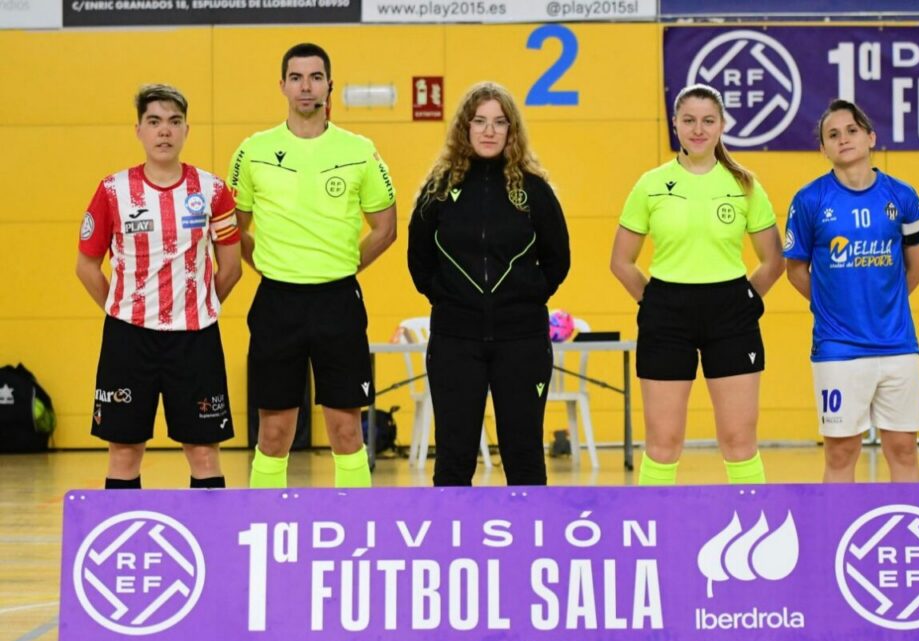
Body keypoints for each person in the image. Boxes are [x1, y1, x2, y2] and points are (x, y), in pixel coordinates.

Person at [229, 43, 397, 489]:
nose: (306, 86)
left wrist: (342, 266)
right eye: (297, 77)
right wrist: (271, 264)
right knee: (273, 433)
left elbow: (386, 229)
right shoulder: (253, 151)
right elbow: (232, 230)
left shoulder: (359, 150)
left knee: (346, 431)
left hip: (338, 301)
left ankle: (354, 523)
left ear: (330, 86)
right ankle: (265, 521)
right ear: (282, 85)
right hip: (277, 302)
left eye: (316, 77)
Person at [610, 84, 784, 486]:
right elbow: (621, 261)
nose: (699, 129)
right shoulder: (651, 184)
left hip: (732, 314)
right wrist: (654, 301)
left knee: (739, 440)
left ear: (722, 125)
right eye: (689, 120)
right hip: (666, 316)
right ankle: (653, 522)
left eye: (708, 121)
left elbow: (773, 261)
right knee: (663, 442)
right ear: (675, 124)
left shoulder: (745, 184)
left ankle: (752, 517)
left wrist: (744, 300)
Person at [76, 84, 242, 490]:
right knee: (124, 452)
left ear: (186, 130)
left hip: (196, 338)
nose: (164, 131)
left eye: (173, 121)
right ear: (139, 130)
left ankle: (208, 532)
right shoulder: (112, 191)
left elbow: (231, 268)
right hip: (129, 339)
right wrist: (123, 308)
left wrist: (197, 304)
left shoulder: (213, 190)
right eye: (154, 122)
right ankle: (126, 533)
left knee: (204, 453)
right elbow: (86, 267)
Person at [408, 82, 570, 486]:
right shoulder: (438, 189)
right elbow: (419, 260)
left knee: (525, 455)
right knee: (453, 457)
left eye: (499, 122)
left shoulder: (533, 190)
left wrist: (526, 298)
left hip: (522, 341)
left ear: (512, 131)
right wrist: (448, 298)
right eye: (479, 121)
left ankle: (529, 530)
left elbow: (558, 259)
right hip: (455, 340)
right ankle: (452, 530)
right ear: (465, 127)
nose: (489, 131)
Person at [785, 99, 919, 483]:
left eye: (851, 130)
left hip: (898, 345)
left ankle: (906, 522)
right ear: (823, 148)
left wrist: (884, 305)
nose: (843, 139)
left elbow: (917, 267)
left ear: (870, 137)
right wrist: (835, 305)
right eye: (832, 135)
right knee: (841, 451)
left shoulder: (902, 196)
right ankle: (836, 524)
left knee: (904, 448)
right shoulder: (810, 200)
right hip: (838, 348)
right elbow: (795, 270)